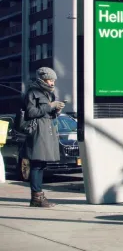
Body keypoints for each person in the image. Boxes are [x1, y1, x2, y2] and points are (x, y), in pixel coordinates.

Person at [24, 67, 65, 207]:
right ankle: (36, 198)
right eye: (50, 79)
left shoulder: (48, 94)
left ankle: (38, 196)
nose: (52, 82)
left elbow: (48, 114)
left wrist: (56, 110)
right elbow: (31, 112)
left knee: (41, 164)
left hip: (46, 129)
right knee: (36, 164)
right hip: (37, 131)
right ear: (42, 78)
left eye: (53, 80)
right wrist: (50, 105)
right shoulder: (32, 91)